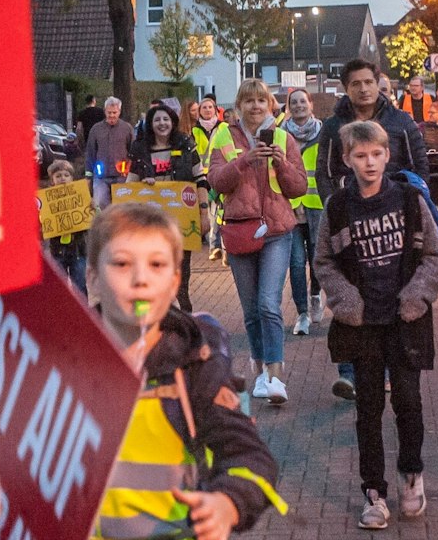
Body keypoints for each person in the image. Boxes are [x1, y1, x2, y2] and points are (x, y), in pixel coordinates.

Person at [62, 203, 283, 540]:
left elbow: (250, 457)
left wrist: (228, 503)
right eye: (121, 264)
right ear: (90, 280)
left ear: (176, 280)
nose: (140, 277)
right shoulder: (60, 368)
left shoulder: (194, 370)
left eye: (157, 265)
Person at [314, 122, 438, 530]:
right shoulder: (337, 207)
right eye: (360, 156)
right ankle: (374, 493)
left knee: (408, 401)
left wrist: (415, 297)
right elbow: (323, 261)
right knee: (368, 409)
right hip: (362, 325)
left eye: (376, 154)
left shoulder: (409, 200)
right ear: (347, 159)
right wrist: (345, 300)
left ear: (387, 154)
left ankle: (411, 473)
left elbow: (436, 256)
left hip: (404, 321)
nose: (369, 162)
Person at [316, 59, 429, 398]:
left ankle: (395, 365)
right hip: (351, 218)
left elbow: (420, 166)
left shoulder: (401, 122)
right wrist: (334, 208)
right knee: (350, 287)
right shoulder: (334, 126)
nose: (363, 89)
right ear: (345, 88)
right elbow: (324, 171)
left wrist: (415, 207)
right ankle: (350, 372)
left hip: (394, 219)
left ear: (379, 83)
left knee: (390, 286)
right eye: (356, 84)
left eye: (369, 82)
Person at [207, 81, 307, 405]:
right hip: (239, 231)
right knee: (251, 311)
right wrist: (244, 160)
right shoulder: (223, 136)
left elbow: (299, 188)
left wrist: (282, 162)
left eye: (260, 101)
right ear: (239, 105)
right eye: (248, 101)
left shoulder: (283, 138)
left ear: (270, 105)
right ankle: (261, 367)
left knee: (268, 303)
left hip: (277, 230)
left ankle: (275, 376)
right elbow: (216, 182)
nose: (255, 106)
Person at [130, 103, 204, 313]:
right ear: (150, 125)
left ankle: (185, 309)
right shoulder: (139, 149)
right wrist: (142, 184)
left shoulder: (186, 144)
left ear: (172, 122)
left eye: (166, 119)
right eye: (157, 120)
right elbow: (130, 184)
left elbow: (200, 179)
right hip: (151, 221)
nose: (162, 124)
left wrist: (205, 212)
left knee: (182, 270)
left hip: (181, 217)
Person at [281, 90, 327, 338]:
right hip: (290, 207)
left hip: (317, 205)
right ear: (289, 107)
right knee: (296, 263)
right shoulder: (280, 135)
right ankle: (302, 313)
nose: (298, 105)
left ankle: (316, 295)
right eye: (294, 102)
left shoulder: (323, 133)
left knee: (317, 258)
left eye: (302, 101)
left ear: (310, 104)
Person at [189, 95, 233, 262]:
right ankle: (214, 246)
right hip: (201, 177)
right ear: (199, 112)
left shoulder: (225, 128)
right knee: (208, 213)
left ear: (216, 110)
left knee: (220, 211)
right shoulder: (194, 130)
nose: (207, 110)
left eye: (210, 107)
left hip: (220, 174)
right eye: (204, 107)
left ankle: (222, 247)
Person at [43, 159, 89, 298]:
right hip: (57, 251)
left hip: (78, 249)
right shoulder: (47, 201)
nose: (62, 178)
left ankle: (82, 316)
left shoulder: (81, 196)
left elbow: (94, 218)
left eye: (66, 175)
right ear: (52, 181)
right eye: (58, 176)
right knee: (59, 288)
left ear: (72, 178)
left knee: (80, 286)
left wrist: (93, 206)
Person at [84, 97, 137, 210]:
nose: (112, 115)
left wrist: (132, 172)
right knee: (101, 206)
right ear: (105, 111)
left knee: (121, 209)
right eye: (109, 112)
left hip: (122, 177)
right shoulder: (96, 129)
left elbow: (133, 151)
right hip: (101, 177)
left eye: (114, 112)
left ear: (119, 112)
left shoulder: (127, 128)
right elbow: (90, 152)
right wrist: (88, 175)